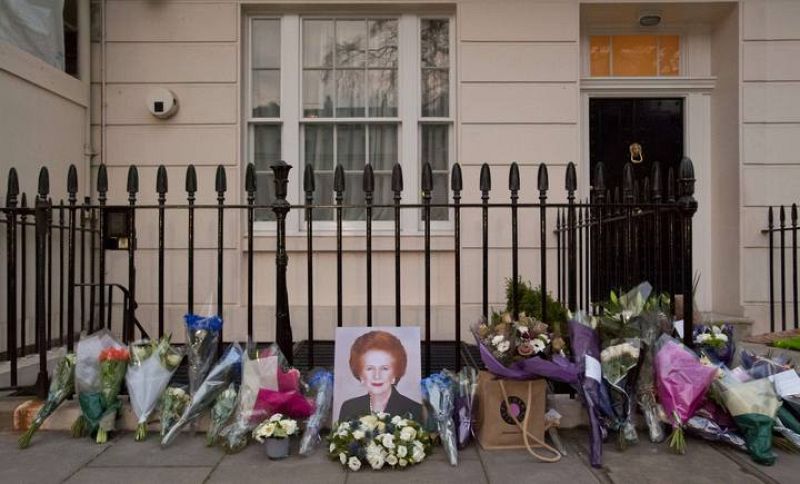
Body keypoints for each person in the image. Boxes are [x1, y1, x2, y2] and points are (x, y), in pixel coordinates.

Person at [338, 330, 422, 422]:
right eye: (370, 368)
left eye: (384, 368)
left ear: (395, 373)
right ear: (361, 374)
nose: (377, 376)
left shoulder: (414, 410)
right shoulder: (349, 408)